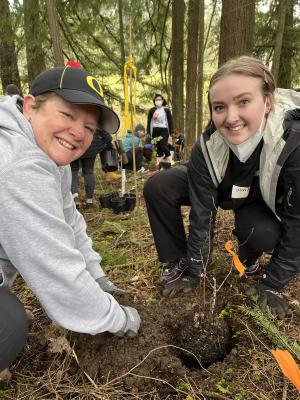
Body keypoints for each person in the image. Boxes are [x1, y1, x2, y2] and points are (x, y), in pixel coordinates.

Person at [0, 65, 141, 375]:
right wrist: (119, 319)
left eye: (90, 128)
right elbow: (56, 270)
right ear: (29, 106)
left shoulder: (49, 157)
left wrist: (98, 277)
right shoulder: (19, 164)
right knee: (7, 322)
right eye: (67, 115)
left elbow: (71, 222)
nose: (79, 133)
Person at [144, 56, 300, 319]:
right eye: (219, 107)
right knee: (159, 185)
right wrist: (196, 272)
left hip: (259, 199)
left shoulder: (292, 143)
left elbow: (298, 222)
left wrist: (272, 283)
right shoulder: (206, 148)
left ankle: (249, 258)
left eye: (243, 102)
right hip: (223, 185)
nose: (231, 117)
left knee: (262, 233)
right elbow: (202, 215)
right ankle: (179, 259)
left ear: (268, 102)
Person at [71, 127, 118, 209]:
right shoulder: (94, 116)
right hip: (91, 147)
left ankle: (75, 197)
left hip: (75, 144)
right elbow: (106, 135)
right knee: (88, 172)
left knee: (73, 171)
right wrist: (108, 142)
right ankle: (89, 201)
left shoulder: (74, 115)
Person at [147, 94, 174, 165]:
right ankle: (159, 163)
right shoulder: (152, 110)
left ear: (162, 101)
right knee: (158, 148)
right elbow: (149, 122)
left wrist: (171, 132)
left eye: (160, 100)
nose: (158, 101)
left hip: (164, 130)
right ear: (154, 101)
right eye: (156, 100)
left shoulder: (166, 110)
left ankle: (170, 160)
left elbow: (170, 121)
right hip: (155, 130)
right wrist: (148, 133)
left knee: (163, 145)